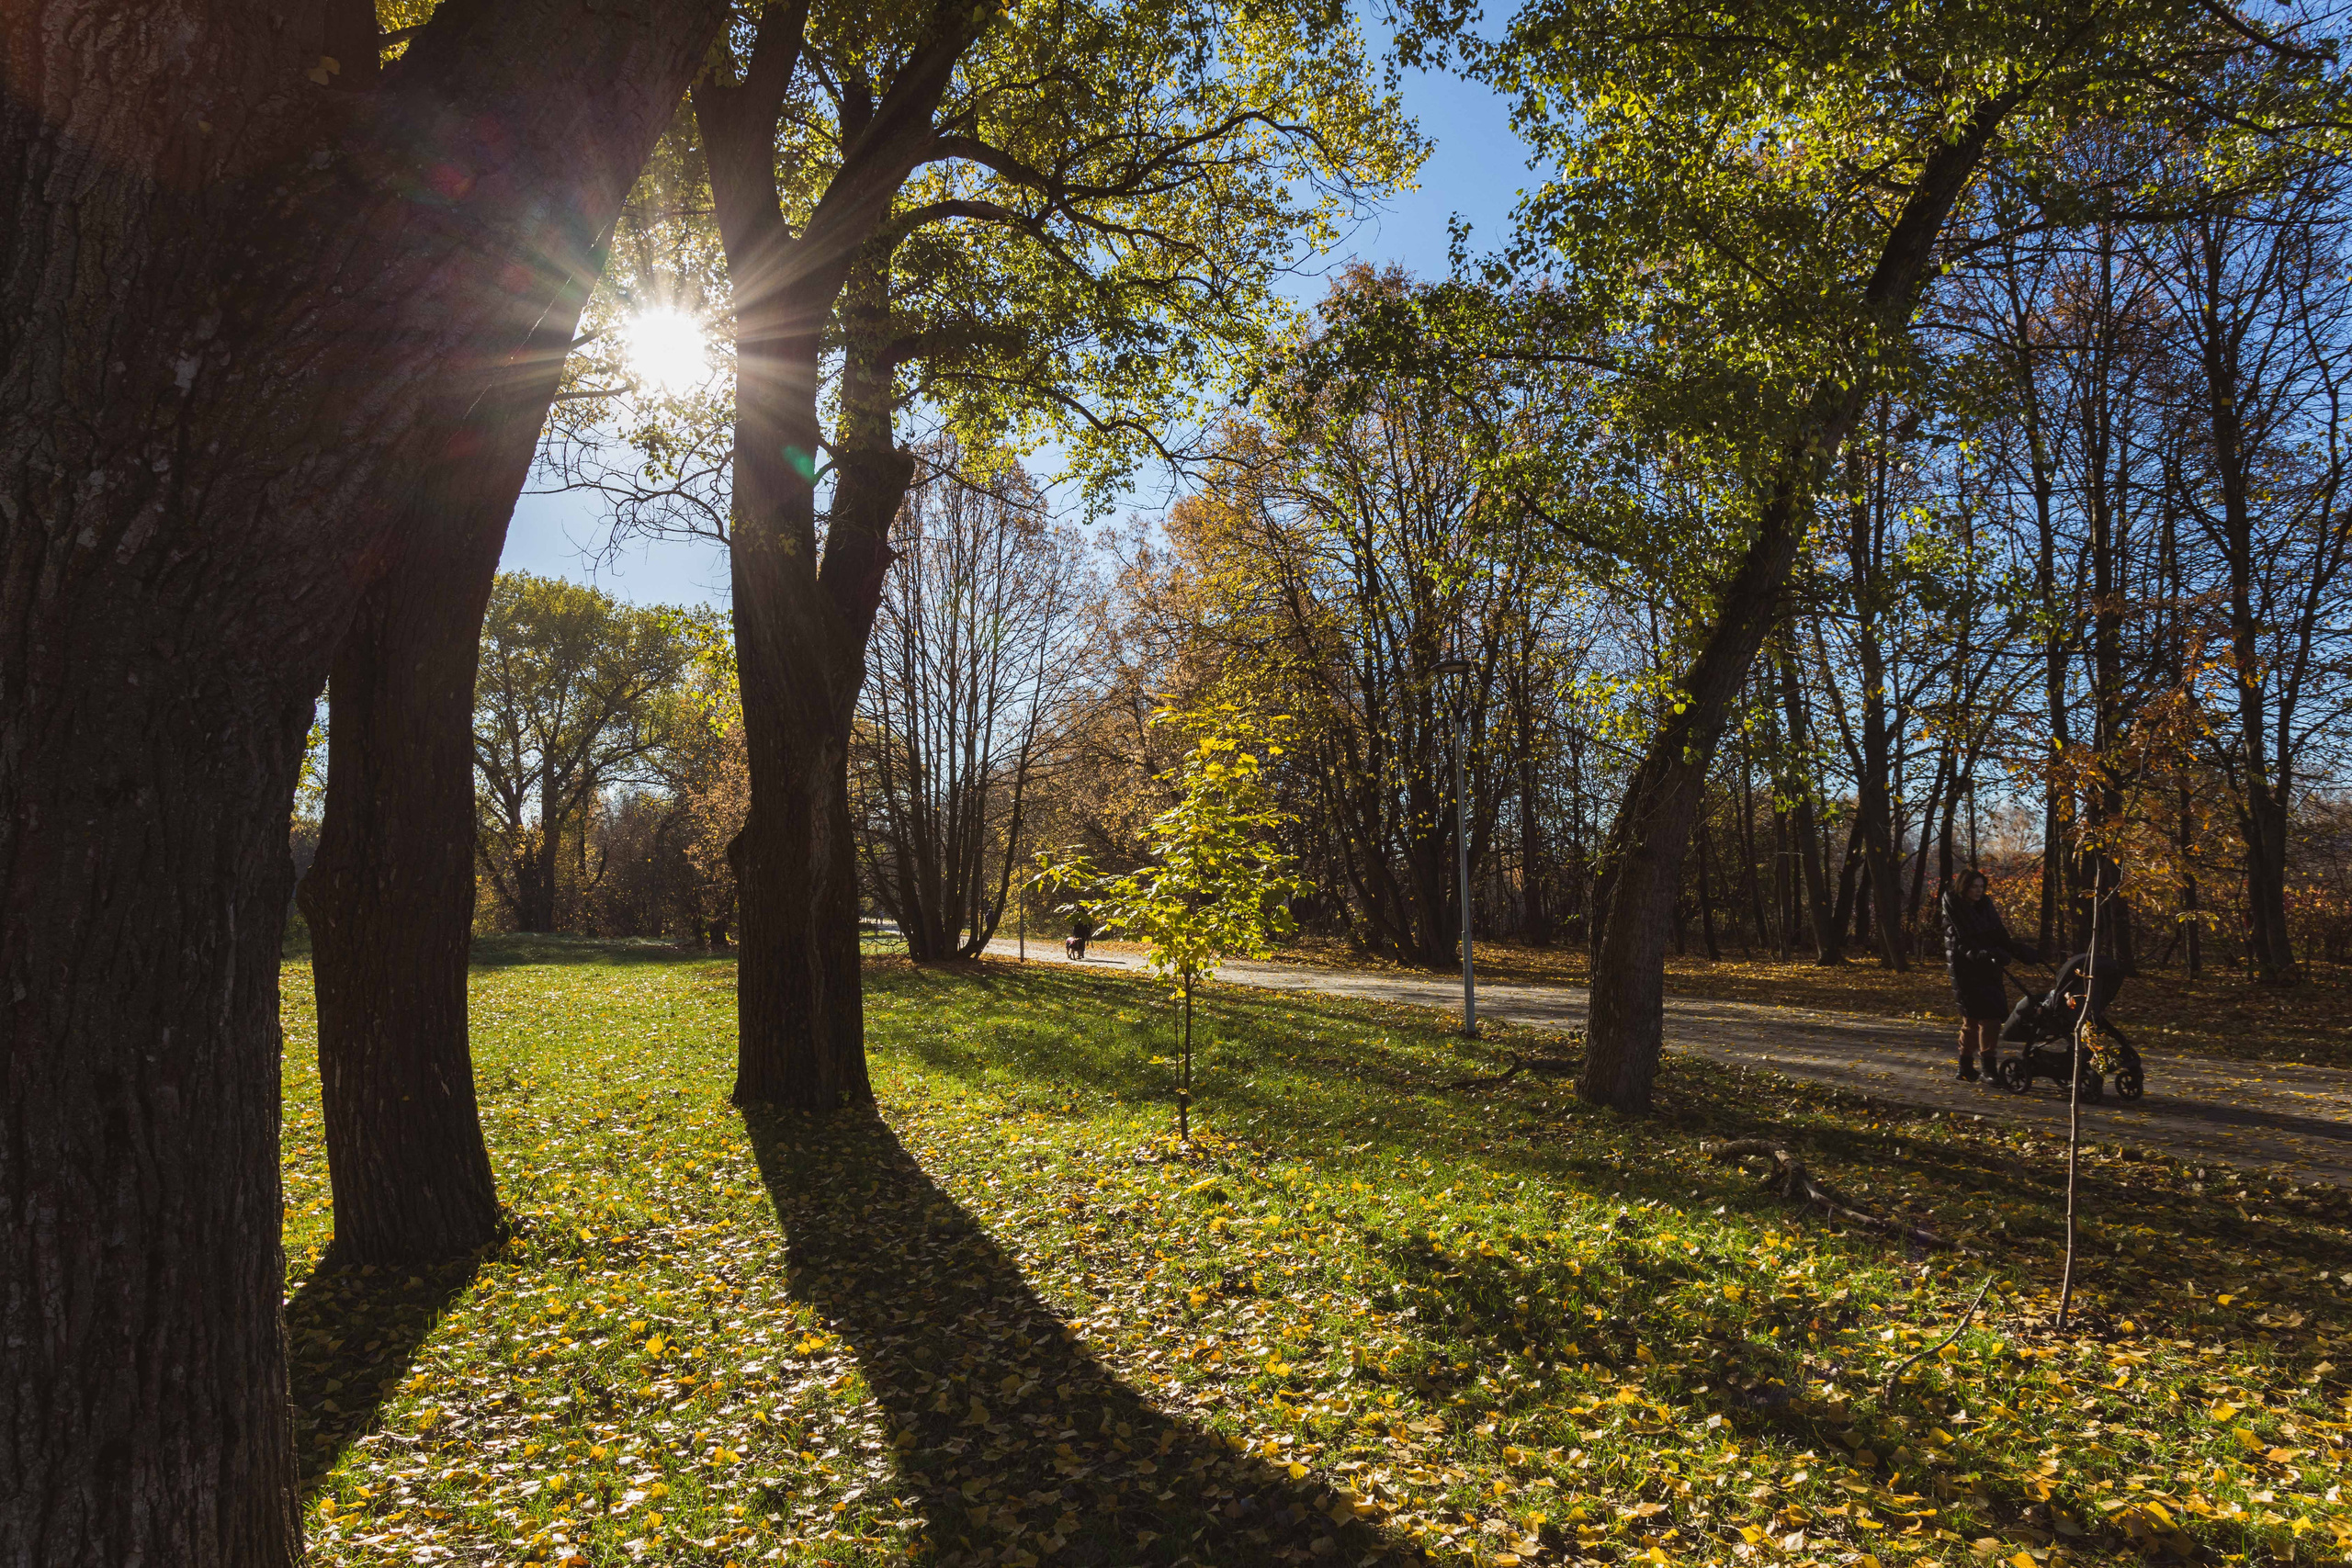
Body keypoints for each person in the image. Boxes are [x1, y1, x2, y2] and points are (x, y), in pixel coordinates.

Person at [1940, 869, 2037, 1082]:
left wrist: (2019, 951)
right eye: (1974, 887)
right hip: (1966, 970)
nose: (1978, 891)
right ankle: (1967, 1066)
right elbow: (1959, 943)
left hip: (1989, 966)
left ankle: (1987, 1067)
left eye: (1981, 887)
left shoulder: (1986, 907)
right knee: (1972, 1020)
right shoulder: (1953, 908)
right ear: (1964, 886)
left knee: (1991, 1018)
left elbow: (1999, 934)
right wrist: (1978, 954)